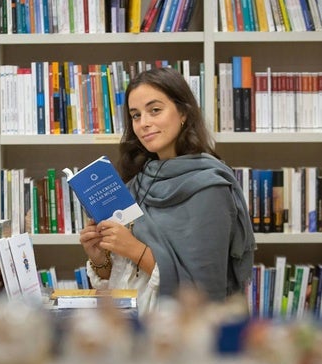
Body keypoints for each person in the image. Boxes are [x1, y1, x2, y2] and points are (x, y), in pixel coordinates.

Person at [79, 67, 255, 315]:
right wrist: (101, 258)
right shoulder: (138, 182)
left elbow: (203, 295)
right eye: (136, 115)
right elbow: (128, 276)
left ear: (183, 112)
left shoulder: (210, 188)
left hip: (176, 336)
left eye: (155, 110)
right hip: (129, 327)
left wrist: (133, 248)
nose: (144, 123)